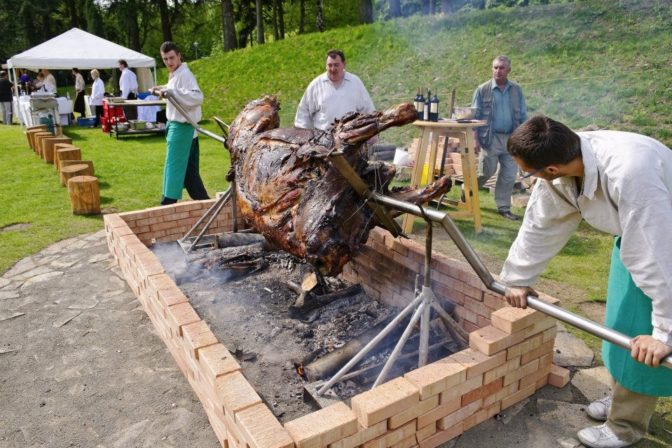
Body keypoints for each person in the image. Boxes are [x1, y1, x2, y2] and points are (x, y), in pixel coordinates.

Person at [501, 116, 672, 448]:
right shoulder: (565, 163)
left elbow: (658, 255)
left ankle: (625, 426)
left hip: (665, 246)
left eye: (528, 173)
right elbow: (541, 223)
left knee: (645, 343)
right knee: (620, 326)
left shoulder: (630, 172)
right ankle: (621, 397)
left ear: (550, 168)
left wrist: (666, 331)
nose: (530, 179)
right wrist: (518, 279)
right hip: (635, 238)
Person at [150, 41, 209, 206]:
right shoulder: (176, 74)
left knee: (173, 170)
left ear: (179, 56)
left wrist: (169, 92)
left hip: (182, 130)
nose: (169, 62)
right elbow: (175, 88)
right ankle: (207, 206)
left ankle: (166, 206)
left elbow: (197, 97)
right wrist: (161, 88)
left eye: (171, 58)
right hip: (183, 129)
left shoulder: (185, 74)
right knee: (190, 174)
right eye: (165, 59)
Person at [471, 55, 527, 220]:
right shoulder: (482, 89)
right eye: (495, 67)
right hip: (490, 138)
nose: (498, 71)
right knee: (486, 171)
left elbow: (523, 115)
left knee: (509, 174)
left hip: (512, 138)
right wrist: (475, 139)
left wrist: (524, 138)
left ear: (508, 70)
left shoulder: (516, 90)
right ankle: (468, 192)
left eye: (502, 68)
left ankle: (503, 207)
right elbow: (475, 116)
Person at [294, 49, 375, 131]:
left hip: (351, 135)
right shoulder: (316, 85)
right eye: (330, 65)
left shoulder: (355, 82)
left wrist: (371, 131)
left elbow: (367, 109)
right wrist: (301, 134)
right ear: (326, 66)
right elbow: (303, 113)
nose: (333, 69)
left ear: (344, 64)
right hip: (323, 138)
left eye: (336, 65)